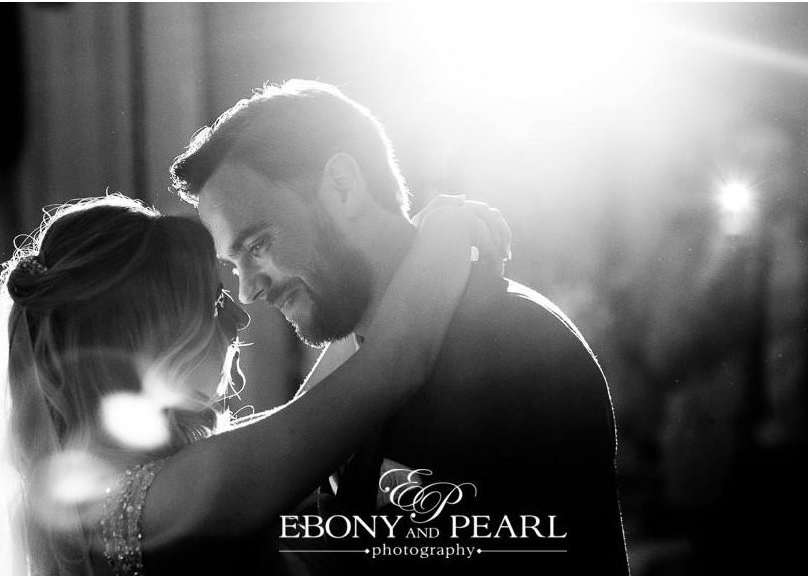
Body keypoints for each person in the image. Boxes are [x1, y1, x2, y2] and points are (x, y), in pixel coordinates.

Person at [170, 79, 630, 575]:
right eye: (233, 263)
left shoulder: (519, 350)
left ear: (342, 187)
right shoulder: (359, 373)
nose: (246, 290)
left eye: (258, 246)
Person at [0, 193, 499, 575]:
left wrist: (395, 257)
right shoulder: (169, 497)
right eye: (214, 303)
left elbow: (320, 403)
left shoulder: (99, 493)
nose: (242, 317)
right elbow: (389, 368)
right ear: (149, 340)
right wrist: (447, 232)